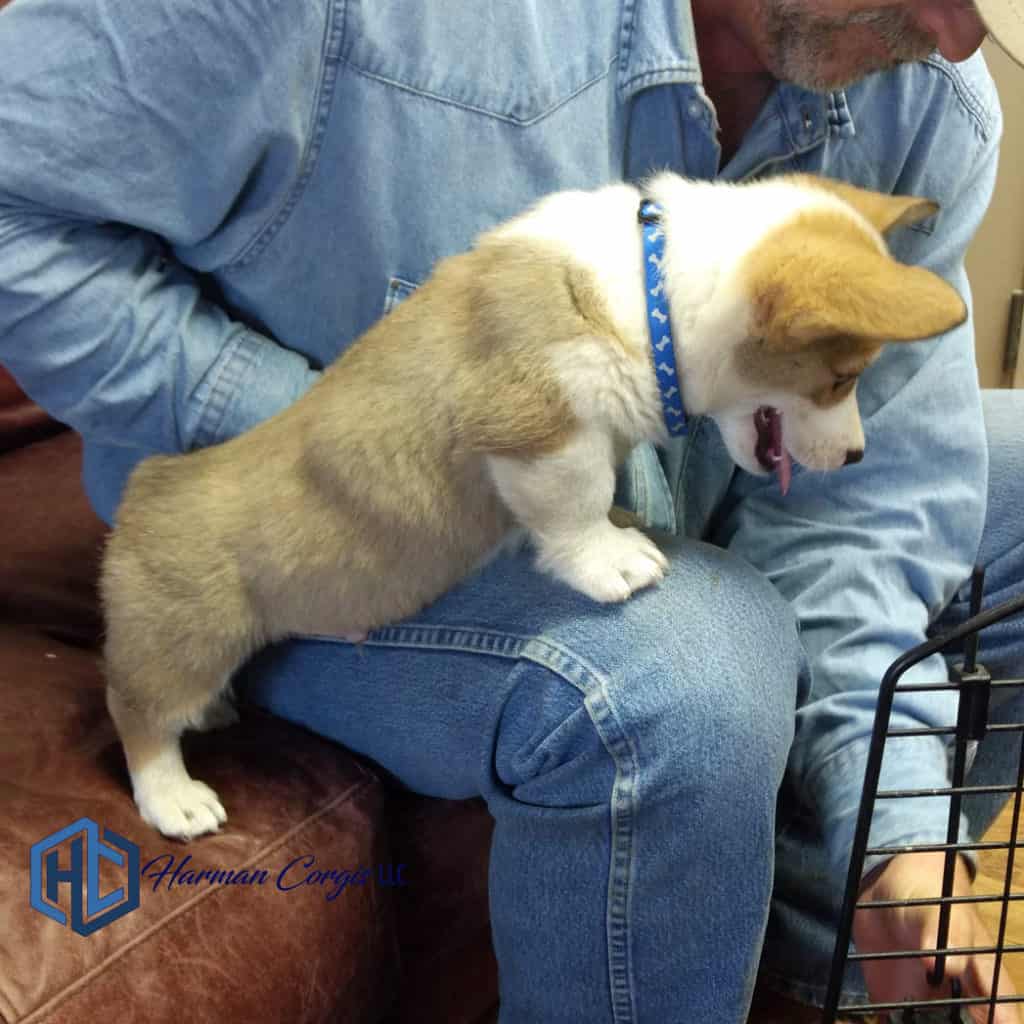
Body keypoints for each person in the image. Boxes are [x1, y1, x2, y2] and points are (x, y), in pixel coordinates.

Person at [0, 0, 1022, 1019]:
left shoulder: (932, 105)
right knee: (697, 657)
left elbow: (857, 511)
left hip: (642, 478)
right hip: (304, 527)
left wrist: (894, 831)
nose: (960, 36)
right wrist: (307, 437)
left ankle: (832, 956)